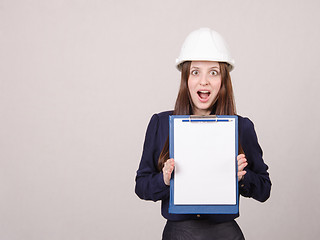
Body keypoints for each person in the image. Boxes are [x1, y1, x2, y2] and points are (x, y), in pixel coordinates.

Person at [135, 28, 271, 240]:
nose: (204, 81)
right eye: (195, 72)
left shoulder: (242, 127)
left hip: (225, 234)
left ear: (223, 80)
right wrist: (164, 179)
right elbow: (141, 186)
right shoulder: (160, 124)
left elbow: (264, 189)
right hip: (178, 234)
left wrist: (243, 177)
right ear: (185, 78)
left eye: (213, 72)